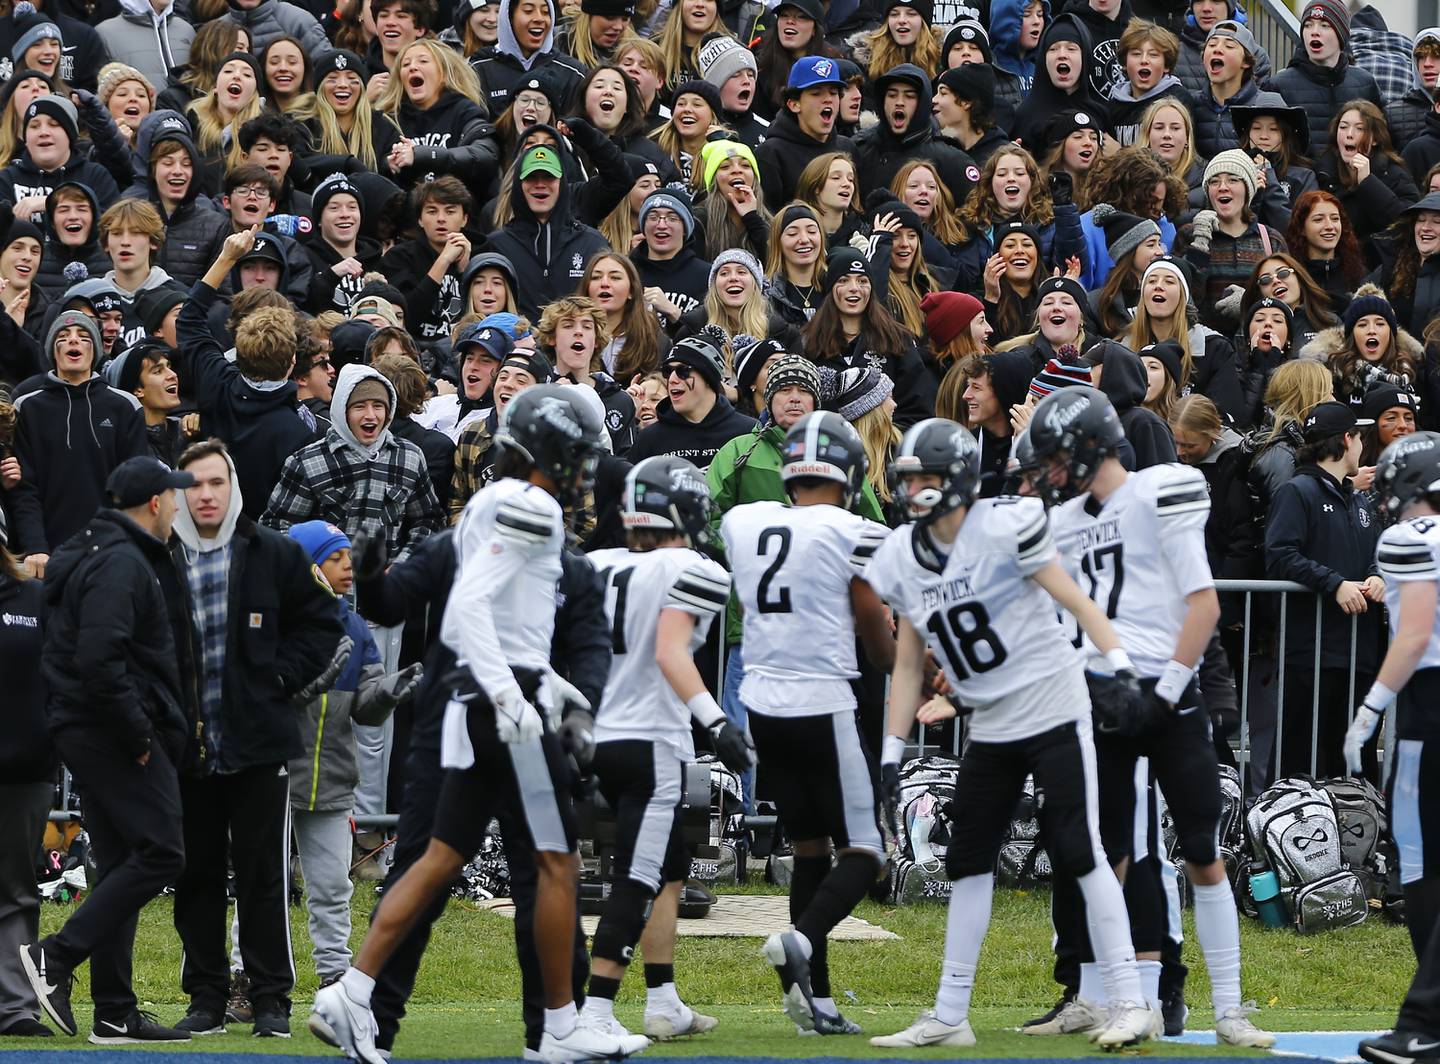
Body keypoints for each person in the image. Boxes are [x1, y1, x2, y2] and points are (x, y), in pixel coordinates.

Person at [307, 385, 631, 1064]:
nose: (583, 470)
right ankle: (558, 1027)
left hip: (476, 706)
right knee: (553, 865)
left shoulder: (490, 506)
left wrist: (567, 701)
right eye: (575, 454)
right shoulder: (530, 507)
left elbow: (538, 635)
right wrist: (515, 702)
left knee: (441, 859)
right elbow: (469, 615)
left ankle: (355, 990)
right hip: (498, 711)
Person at [865, 418, 1156, 1049]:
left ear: (959, 479)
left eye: (927, 477)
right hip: (991, 723)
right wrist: (891, 753)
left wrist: (1124, 669)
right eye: (909, 476)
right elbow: (910, 657)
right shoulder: (898, 554)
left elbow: (1079, 602)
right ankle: (950, 1015)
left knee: (1081, 850)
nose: (914, 487)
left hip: (1052, 705)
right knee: (968, 859)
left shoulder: (1003, 527)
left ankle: (1130, 1001)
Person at [1031, 386, 1273, 1048]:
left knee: (1202, 851)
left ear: (1087, 445)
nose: (1052, 471)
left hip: (1170, 693)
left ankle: (1230, 1009)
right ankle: (1128, 1003)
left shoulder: (1159, 491)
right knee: (1107, 857)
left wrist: (1164, 694)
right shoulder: (1062, 522)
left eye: (1057, 455)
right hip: (1102, 694)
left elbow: (1203, 605)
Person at [166, 439, 346, 1038]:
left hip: (258, 746)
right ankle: (206, 998)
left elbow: (323, 624)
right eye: (194, 484)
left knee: (263, 876)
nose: (207, 494)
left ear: (234, 486)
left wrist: (279, 677)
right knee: (196, 876)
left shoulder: (273, 552)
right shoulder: (161, 557)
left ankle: (271, 999)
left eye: (217, 482)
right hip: (187, 750)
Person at [721, 412, 891, 1037]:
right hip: (823, 699)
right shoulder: (853, 529)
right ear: (850, 471)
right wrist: (900, 663)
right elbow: (872, 624)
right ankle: (801, 938)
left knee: (810, 847)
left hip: (764, 703)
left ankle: (815, 998)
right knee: (865, 850)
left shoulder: (745, 522)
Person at [20, 457, 195, 1045]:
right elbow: (101, 658)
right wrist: (138, 736)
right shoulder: (122, 560)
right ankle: (56, 955)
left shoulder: (93, 549)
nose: (178, 507)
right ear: (153, 503)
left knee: (121, 862)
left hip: (85, 726)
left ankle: (115, 1010)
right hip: (111, 731)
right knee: (164, 851)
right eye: (172, 498)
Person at [582, 456, 749, 1042]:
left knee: (669, 872)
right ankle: (596, 1014)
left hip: (594, 736)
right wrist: (718, 723)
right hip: (650, 740)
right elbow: (669, 650)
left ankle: (664, 1001)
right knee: (637, 876)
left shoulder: (596, 564)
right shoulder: (695, 568)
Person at [285, 519, 421, 991]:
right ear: (307, 566)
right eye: (335, 558)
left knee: (332, 890)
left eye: (349, 557)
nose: (349, 567)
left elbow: (365, 711)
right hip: (275, 777)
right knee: (263, 892)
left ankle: (334, 980)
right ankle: (248, 979)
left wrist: (389, 691)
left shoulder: (355, 627)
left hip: (333, 778)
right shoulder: (274, 620)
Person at [1345, 430, 1440, 1064]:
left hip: (1429, 714)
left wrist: (1369, 708)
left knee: (1420, 865)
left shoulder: (1408, 540)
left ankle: (1425, 1020)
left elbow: (1413, 637)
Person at [1263, 400, 1385, 780]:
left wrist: (1377, 576)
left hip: (1358, 651)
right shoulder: (1297, 492)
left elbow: (1375, 554)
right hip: (1311, 653)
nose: (1362, 445)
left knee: (1351, 761)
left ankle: (1353, 836)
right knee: (1300, 760)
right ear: (1346, 440)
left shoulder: (1359, 500)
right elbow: (1279, 554)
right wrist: (1333, 584)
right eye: (1359, 437)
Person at [178, 227, 317, 519]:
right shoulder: (300, 432)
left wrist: (227, 258)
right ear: (293, 360)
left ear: (239, 349)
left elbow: (189, 317)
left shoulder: (217, 380)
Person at [8, 310, 148, 573]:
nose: (73, 340)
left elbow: (134, 487)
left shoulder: (125, 406)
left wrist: (125, 549)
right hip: (47, 559)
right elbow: (24, 489)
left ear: (94, 349)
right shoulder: (26, 407)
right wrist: (36, 547)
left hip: (110, 555)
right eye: (63, 336)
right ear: (53, 351)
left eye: (83, 336)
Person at [0, 534, 49, 1039]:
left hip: (25, 769)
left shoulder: (35, 598)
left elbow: (61, 671)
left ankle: (16, 1005)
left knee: (16, 889)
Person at [627, 334, 755, 470]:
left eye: (683, 371)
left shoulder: (748, 432)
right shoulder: (649, 439)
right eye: (668, 371)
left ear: (709, 377)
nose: (672, 379)